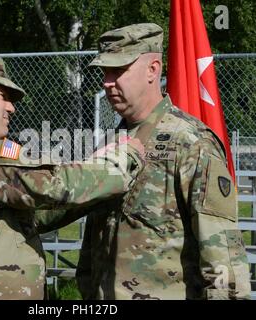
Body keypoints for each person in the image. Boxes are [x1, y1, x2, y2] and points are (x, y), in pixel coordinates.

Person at [0, 48, 144, 300]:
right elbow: (54, 186)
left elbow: (35, 215)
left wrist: (96, 188)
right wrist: (124, 156)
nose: (11, 108)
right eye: (3, 96)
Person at [75, 23, 251, 300]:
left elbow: (222, 255)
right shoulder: (111, 144)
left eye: (118, 71)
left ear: (153, 69)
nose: (107, 82)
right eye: (105, 72)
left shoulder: (191, 143)